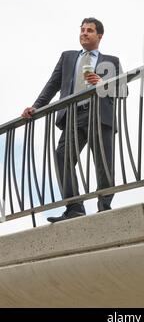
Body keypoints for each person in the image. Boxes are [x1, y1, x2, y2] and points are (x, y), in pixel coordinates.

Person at [22, 17, 123, 222]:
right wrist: (36, 106)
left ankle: (105, 207)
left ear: (99, 36)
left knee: (104, 162)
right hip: (73, 116)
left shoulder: (111, 60)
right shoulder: (68, 57)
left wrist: (103, 83)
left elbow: (123, 90)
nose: (84, 33)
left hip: (99, 115)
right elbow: (53, 84)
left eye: (90, 30)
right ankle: (74, 207)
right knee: (62, 156)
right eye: (82, 30)